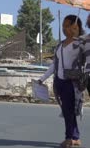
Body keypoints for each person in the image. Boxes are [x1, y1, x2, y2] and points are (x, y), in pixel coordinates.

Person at [38, 14, 85, 148]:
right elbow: (54, 65)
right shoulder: (60, 45)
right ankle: (75, 137)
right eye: (63, 26)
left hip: (73, 82)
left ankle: (69, 138)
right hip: (60, 81)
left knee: (69, 111)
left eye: (68, 25)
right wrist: (42, 79)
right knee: (67, 111)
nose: (65, 28)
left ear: (75, 27)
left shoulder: (80, 44)